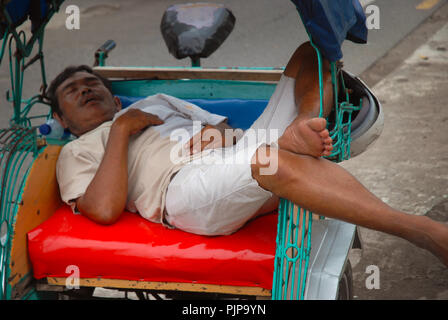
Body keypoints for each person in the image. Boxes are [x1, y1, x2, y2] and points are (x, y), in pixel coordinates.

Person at [47, 42, 448, 267]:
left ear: (113, 96)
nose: (85, 89)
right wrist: (121, 129)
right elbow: (102, 210)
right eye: (73, 91)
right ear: (61, 118)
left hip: (235, 151)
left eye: (91, 83)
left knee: (312, 52)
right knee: (269, 161)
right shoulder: (77, 151)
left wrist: (213, 133)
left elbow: (217, 125)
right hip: (186, 190)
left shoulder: (157, 101)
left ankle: (306, 125)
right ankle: (423, 231)